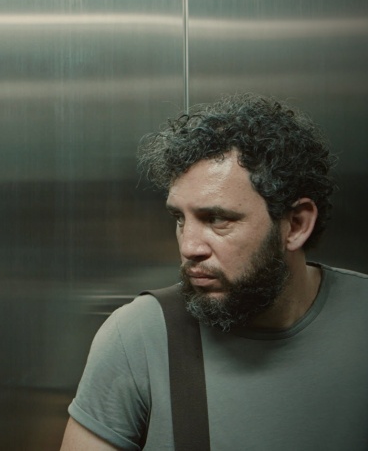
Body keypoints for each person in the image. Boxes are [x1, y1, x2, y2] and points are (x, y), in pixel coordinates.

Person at [61, 93, 368, 450]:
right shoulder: (140, 336)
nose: (189, 247)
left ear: (296, 225)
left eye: (218, 219)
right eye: (180, 218)